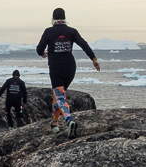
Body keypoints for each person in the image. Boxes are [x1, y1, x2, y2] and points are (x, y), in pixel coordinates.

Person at [36, 7, 100, 137]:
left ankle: (69, 120)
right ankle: (54, 124)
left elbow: (39, 49)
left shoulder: (49, 32)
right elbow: (84, 45)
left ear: (53, 19)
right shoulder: (71, 31)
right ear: (65, 18)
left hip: (56, 67)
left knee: (60, 96)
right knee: (58, 94)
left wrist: (43, 53)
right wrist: (94, 59)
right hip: (70, 67)